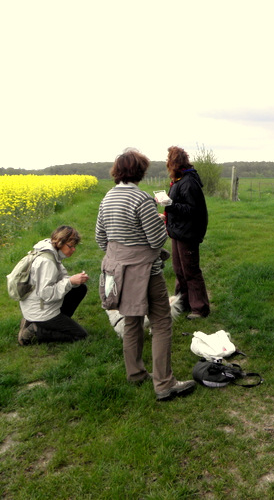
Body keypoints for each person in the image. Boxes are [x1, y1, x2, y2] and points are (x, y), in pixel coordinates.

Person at [96, 148, 196, 401]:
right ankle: (164, 383)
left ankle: (136, 373)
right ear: (140, 172)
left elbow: (100, 239)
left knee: (131, 321)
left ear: (117, 172)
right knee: (161, 323)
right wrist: (159, 223)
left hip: (117, 273)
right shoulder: (141, 199)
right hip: (146, 273)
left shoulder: (107, 198)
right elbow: (156, 239)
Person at [160, 146, 210, 320]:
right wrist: (167, 209)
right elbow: (178, 206)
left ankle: (201, 308)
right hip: (178, 231)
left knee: (190, 271)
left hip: (188, 233)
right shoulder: (180, 180)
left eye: (169, 160)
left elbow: (193, 210)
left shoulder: (188, 182)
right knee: (179, 269)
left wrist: (169, 204)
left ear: (175, 162)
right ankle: (183, 302)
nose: (167, 163)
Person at [17, 226, 89, 345]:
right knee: (80, 336)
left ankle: (50, 323)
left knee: (79, 289)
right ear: (60, 243)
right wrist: (70, 281)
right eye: (70, 246)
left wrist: (73, 281)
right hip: (41, 311)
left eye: (74, 246)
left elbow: (59, 279)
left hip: (37, 304)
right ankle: (35, 330)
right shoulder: (47, 262)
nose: (74, 250)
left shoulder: (50, 252)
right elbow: (46, 293)